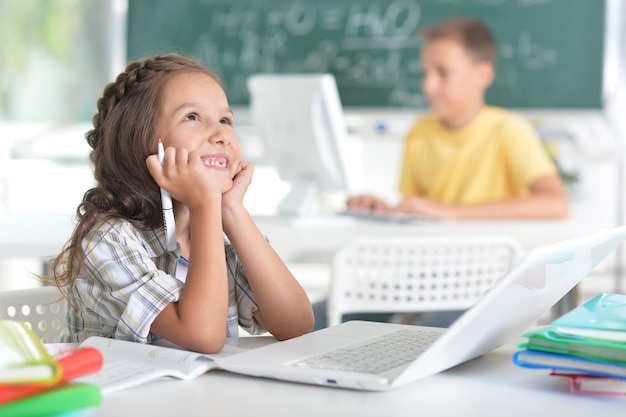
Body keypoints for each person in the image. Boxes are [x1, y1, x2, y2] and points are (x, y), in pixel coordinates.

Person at [48, 53, 314, 353]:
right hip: (121, 398)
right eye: (192, 117)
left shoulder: (221, 231)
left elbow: (297, 325)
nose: (221, 135)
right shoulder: (107, 239)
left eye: (226, 120)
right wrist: (205, 207)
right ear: (140, 139)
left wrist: (231, 209)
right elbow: (203, 337)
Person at [347, 17, 569, 220]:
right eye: (425, 73)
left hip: (493, 259)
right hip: (438, 258)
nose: (428, 86)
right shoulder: (420, 131)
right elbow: (417, 211)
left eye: (443, 73)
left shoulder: (509, 130)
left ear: (482, 75)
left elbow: (556, 204)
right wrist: (384, 210)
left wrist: (446, 212)